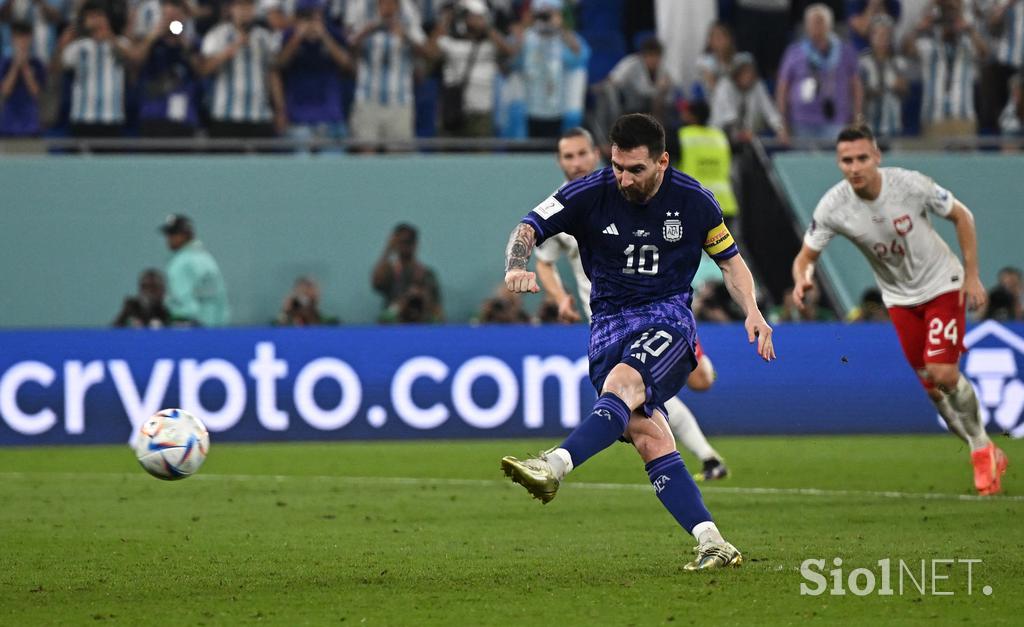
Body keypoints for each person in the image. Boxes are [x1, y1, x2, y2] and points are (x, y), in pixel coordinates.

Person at [501, 113, 775, 570]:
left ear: (662, 161)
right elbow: (529, 225)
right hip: (606, 325)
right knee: (649, 436)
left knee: (623, 386)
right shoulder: (590, 192)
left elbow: (730, 261)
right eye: (617, 167)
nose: (624, 179)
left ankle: (554, 466)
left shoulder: (694, 201)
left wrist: (753, 309)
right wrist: (515, 264)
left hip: (666, 318)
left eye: (636, 170)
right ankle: (713, 541)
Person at [791, 123, 1008, 495]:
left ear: (877, 157)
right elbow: (805, 257)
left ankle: (979, 448)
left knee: (943, 371)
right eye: (846, 160)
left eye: (862, 158)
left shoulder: (909, 185)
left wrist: (972, 276)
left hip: (943, 284)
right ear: (838, 163)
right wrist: (802, 279)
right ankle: (984, 448)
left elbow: (963, 216)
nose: (855, 167)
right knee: (932, 389)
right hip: (899, 299)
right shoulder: (834, 205)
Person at [535, 126, 732, 480]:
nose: (576, 162)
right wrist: (560, 296)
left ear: (596, 154)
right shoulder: (565, 203)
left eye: (582, 153)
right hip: (609, 321)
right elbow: (544, 261)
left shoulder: (626, 191)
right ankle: (708, 459)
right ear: (559, 161)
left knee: (699, 380)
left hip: (657, 313)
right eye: (568, 156)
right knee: (640, 393)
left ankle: (560, 462)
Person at [348, 0, 429, 150]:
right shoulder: (362, 7)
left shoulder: (408, 10)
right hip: (367, 95)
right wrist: (369, 29)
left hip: (400, 97)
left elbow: (425, 50)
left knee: (398, 161)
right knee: (366, 156)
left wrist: (405, 35)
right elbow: (350, 44)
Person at [199, 0, 286, 137]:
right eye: (240, 6)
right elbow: (204, 69)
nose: (244, 11)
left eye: (248, 6)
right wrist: (229, 50)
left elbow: (273, 74)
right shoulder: (217, 34)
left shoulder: (264, 37)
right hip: (226, 114)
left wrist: (280, 109)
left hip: (259, 113)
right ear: (231, 9)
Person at [776, 3, 862, 140]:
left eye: (820, 22)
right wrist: (782, 124)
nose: (816, 26)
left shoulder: (846, 51)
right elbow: (782, 88)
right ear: (806, 26)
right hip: (802, 122)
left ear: (830, 25)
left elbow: (856, 86)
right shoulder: (794, 51)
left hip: (836, 121)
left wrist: (857, 119)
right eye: (812, 23)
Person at [904, 0, 987, 138]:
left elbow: (984, 53)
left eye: (952, 22)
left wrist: (969, 29)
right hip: (934, 118)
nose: (950, 26)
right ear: (939, 25)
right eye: (946, 22)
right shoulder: (930, 46)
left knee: (965, 159)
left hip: (963, 117)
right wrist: (919, 28)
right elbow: (906, 49)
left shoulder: (968, 45)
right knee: (933, 160)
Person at [430, 0, 512, 138]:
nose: (474, 20)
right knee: (447, 156)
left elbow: (509, 52)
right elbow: (429, 52)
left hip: (481, 111)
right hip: (453, 110)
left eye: (479, 16)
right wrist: (446, 21)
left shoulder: (489, 44)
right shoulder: (450, 42)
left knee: (480, 156)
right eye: (471, 16)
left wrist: (486, 26)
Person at [276, 0, 352, 144]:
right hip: (298, 115)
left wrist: (324, 37)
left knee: (333, 164)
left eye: (315, 14)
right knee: (300, 164)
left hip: (330, 113)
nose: (311, 19)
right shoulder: (289, 35)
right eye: (306, 15)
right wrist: (297, 38)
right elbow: (279, 64)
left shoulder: (333, 33)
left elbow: (347, 65)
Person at [56, 1, 133, 137]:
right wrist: (65, 40)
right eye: (91, 17)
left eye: (99, 16)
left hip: (112, 117)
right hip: (82, 117)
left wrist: (108, 35)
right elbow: (59, 66)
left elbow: (131, 59)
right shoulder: (78, 47)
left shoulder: (120, 43)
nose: (95, 21)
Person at [134, 0, 203, 137]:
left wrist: (183, 42)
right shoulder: (150, 42)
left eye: (176, 14)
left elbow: (201, 70)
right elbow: (136, 63)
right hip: (153, 114)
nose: (172, 17)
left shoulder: (190, 43)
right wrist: (154, 35)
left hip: (183, 116)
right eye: (167, 14)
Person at [677, 101, 739, 239]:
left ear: (692, 116)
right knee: (725, 257)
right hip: (724, 204)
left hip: (694, 205)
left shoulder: (683, 136)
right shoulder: (720, 136)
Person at [160, 214, 231, 327]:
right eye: (168, 235)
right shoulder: (207, 258)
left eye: (173, 234)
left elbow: (183, 305)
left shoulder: (181, 262)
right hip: (216, 328)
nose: (169, 239)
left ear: (187, 235)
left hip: (191, 329)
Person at [709, 52, 789, 144]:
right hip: (720, 138)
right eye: (745, 71)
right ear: (736, 72)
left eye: (751, 71)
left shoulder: (757, 86)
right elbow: (729, 116)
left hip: (747, 139)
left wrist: (780, 129)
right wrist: (740, 132)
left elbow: (770, 111)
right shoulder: (724, 87)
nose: (748, 75)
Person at [371, 223, 443, 323]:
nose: (404, 246)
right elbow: (376, 283)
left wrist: (424, 300)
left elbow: (438, 311)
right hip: (394, 326)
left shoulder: (427, 274)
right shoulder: (390, 271)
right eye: (400, 242)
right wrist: (388, 250)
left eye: (408, 242)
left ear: (415, 244)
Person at [858, 15, 908, 138]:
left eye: (885, 35)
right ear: (871, 37)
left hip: (891, 122)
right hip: (868, 123)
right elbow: (857, 92)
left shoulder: (899, 62)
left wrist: (901, 87)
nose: (882, 38)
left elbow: (905, 93)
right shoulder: (862, 62)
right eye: (878, 34)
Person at [0, 20, 45, 136]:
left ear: (30, 38)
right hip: (8, 126)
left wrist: (24, 66)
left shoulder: (37, 64)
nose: (21, 41)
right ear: (12, 39)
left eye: (24, 37)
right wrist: (16, 65)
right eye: (18, 37)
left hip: (31, 125)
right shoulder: (5, 63)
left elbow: (35, 92)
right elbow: (5, 91)